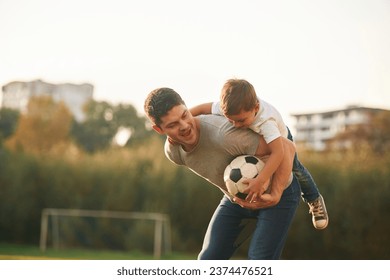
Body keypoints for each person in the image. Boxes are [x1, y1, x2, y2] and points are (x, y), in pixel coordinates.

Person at [144, 87, 300, 260]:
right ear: (159, 130)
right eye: (172, 125)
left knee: (259, 260)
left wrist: (276, 193)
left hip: (278, 196)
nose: (184, 126)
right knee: (208, 260)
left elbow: (287, 148)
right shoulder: (174, 153)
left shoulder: (225, 134)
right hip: (237, 199)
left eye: (184, 115)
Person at [190, 78, 328, 230]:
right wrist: (184, 120)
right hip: (258, 142)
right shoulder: (231, 107)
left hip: (280, 139)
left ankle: (314, 198)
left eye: (241, 120)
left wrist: (260, 180)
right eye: (231, 121)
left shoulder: (266, 122)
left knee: (297, 169)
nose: (236, 125)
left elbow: (278, 153)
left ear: (255, 108)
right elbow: (203, 108)